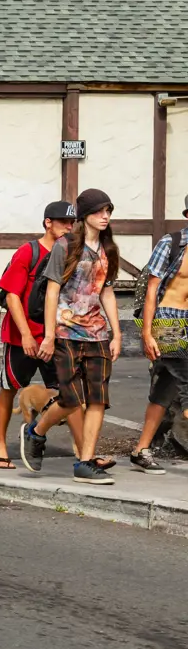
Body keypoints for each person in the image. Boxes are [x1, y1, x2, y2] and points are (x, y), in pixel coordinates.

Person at [20, 188, 121, 484]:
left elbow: (107, 291)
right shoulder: (64, 246)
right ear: (85, 215)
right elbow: (52, 290)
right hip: (66, 332)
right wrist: (49, 336)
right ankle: (36, 431)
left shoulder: (109, 250)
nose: (105, 217)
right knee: (71, 399)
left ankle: (85, 462)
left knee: (98, 399)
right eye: (100, 211)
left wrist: (115, 333)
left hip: (97, 333)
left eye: (108, 211)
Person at [0, 201, 75, 469]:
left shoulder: (71, 253)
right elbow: (12, 295)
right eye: (63, 222)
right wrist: (25, 334)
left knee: (69, 392)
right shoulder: (28, 252)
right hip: (21, 335)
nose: (68, 227)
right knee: (9, 388)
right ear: (48, 222)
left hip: (56, 335)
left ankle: (82, 452)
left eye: (72, 223)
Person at [130, 194, 188, 473]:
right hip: (166, 321)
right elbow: (152, 288)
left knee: (165, 390)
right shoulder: (171, 243)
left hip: (186, 322)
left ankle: (141, 449)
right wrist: (147, 333)